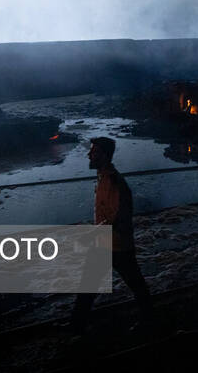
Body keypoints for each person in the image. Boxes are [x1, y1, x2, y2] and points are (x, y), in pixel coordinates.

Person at [72, 136, 153, 332]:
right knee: (90, 287)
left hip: (114, 244)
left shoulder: (112, 181)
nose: (89, 154)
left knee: (130, 284)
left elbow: (118, 217)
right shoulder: (104, 177)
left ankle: (149, 321)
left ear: (105, 156)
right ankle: (76, 325)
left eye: (94, 152)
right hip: (108, 243)